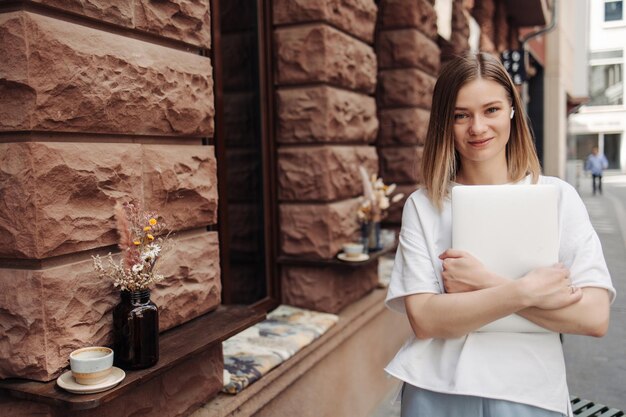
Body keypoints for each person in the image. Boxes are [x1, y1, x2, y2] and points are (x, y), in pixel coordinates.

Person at [385, 52, 616, 417]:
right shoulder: (424, 205)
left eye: (490, 110)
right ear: (446, 122)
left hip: (530, 393)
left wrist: (484, 282)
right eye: (461, 115)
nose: (477, 128)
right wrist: (527, 290)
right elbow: (426, 320)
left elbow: (593, 317)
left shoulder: (557, 197)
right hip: (435, 391)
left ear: (512, 110)